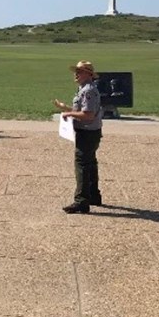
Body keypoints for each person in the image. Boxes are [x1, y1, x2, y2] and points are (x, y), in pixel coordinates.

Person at [54, 60, 103, 214]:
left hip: (87, 133)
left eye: (80, 71)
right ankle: (93, 195)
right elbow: (81, 110)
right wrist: (66, 108)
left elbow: (88, 115)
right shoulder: (84, 89)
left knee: (82, 165)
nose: (76, 74)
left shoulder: (88, 90)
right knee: (90, 163)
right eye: (76, 71)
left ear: (89, 74)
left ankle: (81, 201)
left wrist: (69, 113)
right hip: (90, 132)